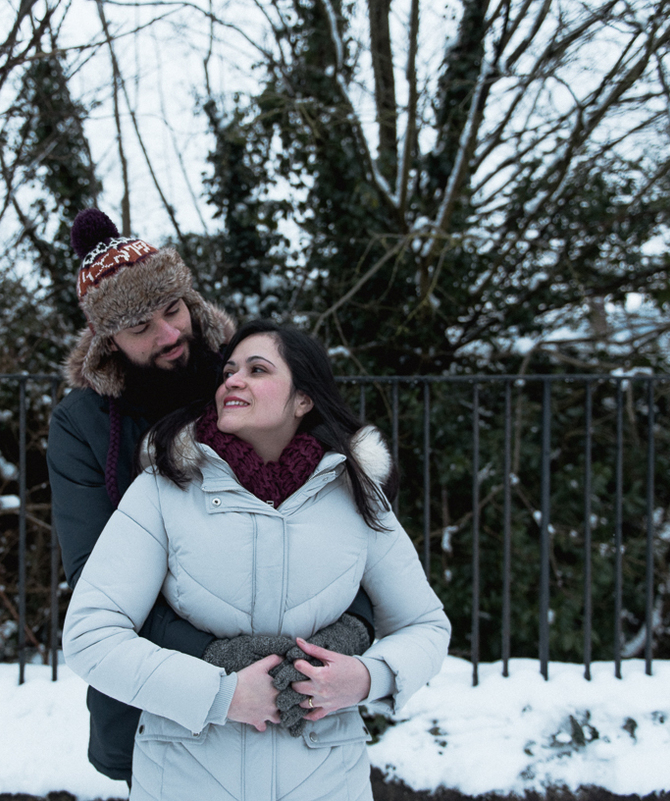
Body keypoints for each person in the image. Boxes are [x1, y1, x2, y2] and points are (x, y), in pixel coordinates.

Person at [47, 211, 374, 784]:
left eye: (173, 310)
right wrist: (225, 661)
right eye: (140, 327)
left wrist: (343, 638)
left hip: (299, 696)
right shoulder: (85, 425)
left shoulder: (249, 381)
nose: (169, 335)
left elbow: (346, 517)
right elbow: (96, 579)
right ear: (108, 341)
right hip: (163, 704)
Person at [63, 319, 451, 801]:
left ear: (303, 399)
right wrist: (219, 694)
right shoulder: (163, 491)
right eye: (229, 370)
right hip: (187, 778)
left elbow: (426, 625)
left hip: (326, 779)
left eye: (257, 369)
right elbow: (90, 635)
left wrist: (367, 678)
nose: (233, 380)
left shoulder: (355, 495)